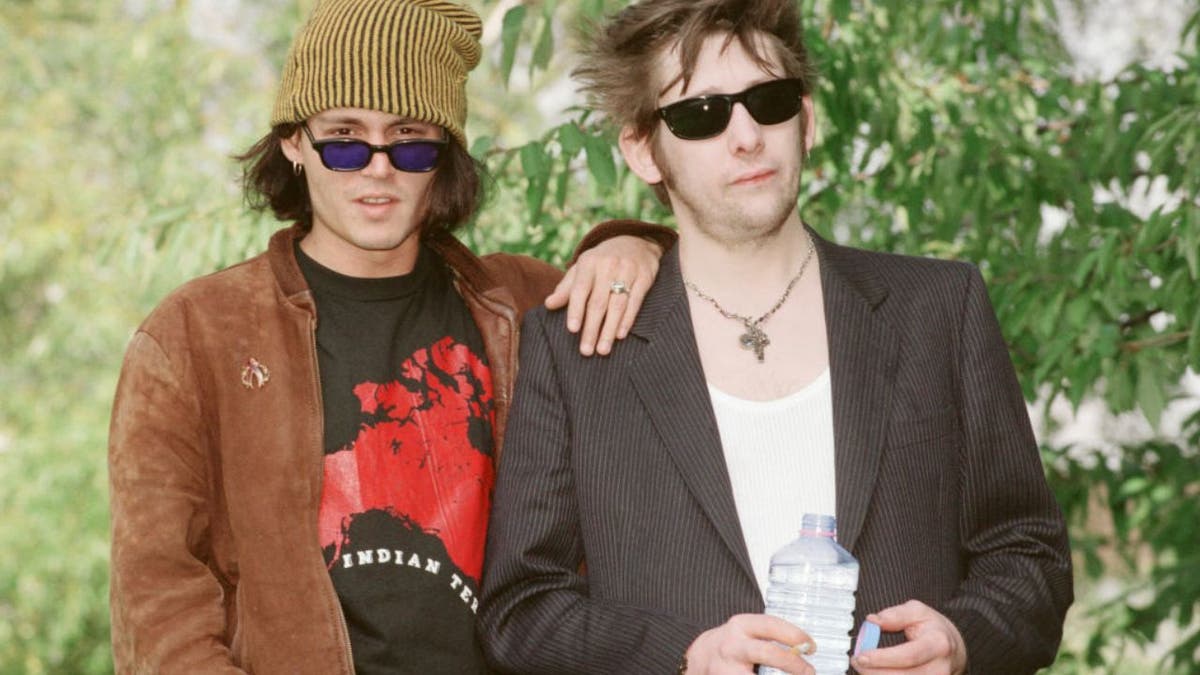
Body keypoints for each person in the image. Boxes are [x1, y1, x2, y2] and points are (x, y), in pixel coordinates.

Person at [478, 1, 1073, 674]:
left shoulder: (938, 308)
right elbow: (520, 611)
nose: (746, 135)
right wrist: (684, 655)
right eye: (700, 114)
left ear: (807, 118)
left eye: (769, 101)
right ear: (643, 150)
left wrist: (964, 638)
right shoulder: (578, 349)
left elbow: (1029, 555)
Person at [107, 0, 674, 672]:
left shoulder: (524, 304)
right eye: (345, 139)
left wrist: (640, 246)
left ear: (444, 154)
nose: (378, 168)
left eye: (408, 141)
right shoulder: (195, 336)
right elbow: (158, 604)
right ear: (294, 141)